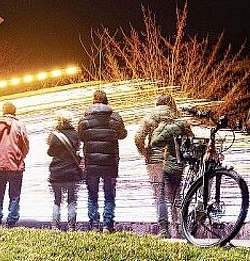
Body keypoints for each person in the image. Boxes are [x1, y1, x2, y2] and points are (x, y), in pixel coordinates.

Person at [136, 93, 193, 238]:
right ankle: (180, 230)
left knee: (159, 196)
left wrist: (144, 152)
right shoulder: (179, 119)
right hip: (175, 161)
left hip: (155, 162)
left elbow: (138, 137)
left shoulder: (150, 118)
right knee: (175, 195)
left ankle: (163, 230)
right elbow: (190, 140)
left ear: (157, 104)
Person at [78, 89, 127, 233]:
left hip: (91, 163)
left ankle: (94, 225)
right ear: (106, 101)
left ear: (93, 101)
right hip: (110, 162)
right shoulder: (116, 118)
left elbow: (81, 137)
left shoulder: (84, 120)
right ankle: (107, 225)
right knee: (109, 195)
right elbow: (122, 135)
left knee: (92, 195)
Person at [0, 101, 30, 227]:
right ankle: (11, 221)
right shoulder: (19, 125)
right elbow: (25, 143)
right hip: (15, 164)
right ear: (14, 111)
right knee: (15, 194)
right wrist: (21, 156)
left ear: (3, 111)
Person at [47, 110, 82, 231]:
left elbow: (50, 152)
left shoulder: (55, 135)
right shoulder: (75, 134)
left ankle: (55, 227)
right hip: (72, 172)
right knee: (71, 200)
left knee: (57, 200)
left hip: (56, 172)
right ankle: (71, 227)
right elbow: (78, 150)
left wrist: (53, 132)